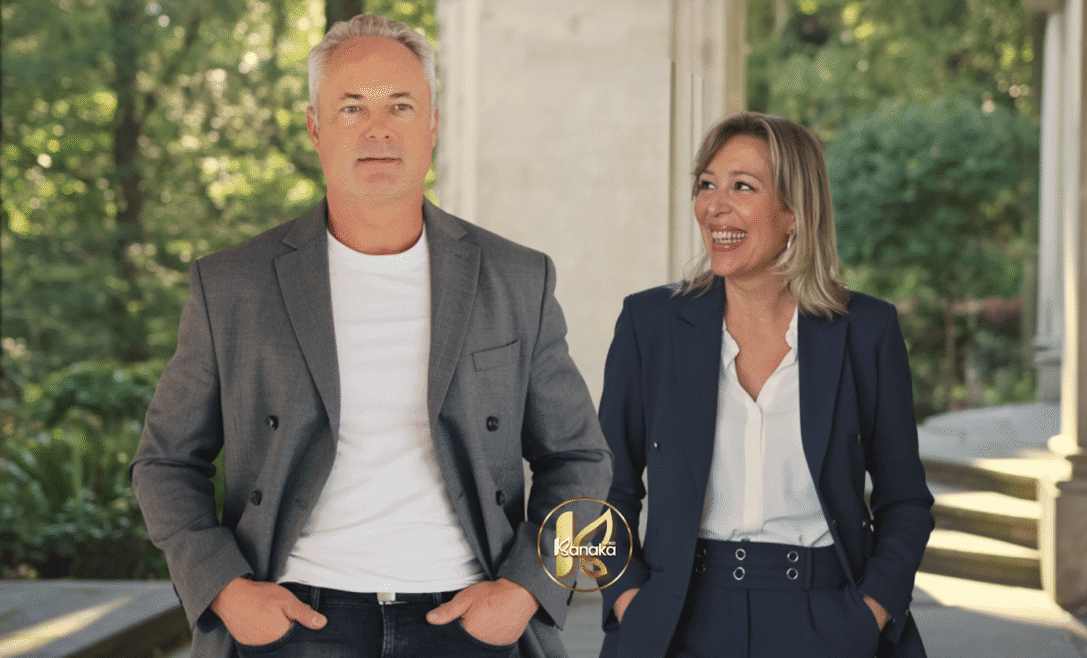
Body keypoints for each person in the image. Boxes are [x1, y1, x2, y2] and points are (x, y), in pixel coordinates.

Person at [131, 14, 612, 658]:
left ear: (433, 125)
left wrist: (529, 591)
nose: (379, 126)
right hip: (294, 627)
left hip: (472, 626)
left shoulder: (517, 278)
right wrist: (224, 589)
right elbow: (163, 464)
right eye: (352, 106)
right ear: (315, 127)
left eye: (402, 105)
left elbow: (582, 462)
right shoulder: (233, 285)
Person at [595, 112, 934, 658]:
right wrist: (625, 596)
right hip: (677, 620)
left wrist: (870, 613)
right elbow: (597, 490)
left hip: (827, 617)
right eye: (707, 185)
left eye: (742, 187)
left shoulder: (867, 331)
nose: (714, 206)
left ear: (794, 214)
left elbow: (907, 502)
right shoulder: (649, 324)